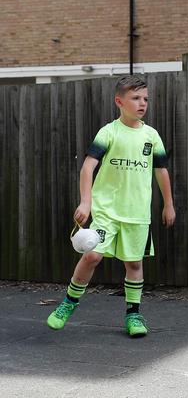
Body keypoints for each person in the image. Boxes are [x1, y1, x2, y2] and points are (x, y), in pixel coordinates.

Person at [46, 75, 176, 337]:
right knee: (92, 255)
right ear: (120, 101)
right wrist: (86, 202)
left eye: (146, 99)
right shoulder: (109, 132)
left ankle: (134, 315)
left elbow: (161, 171)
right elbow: (87, 167)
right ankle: (68, 304)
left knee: (134, 264)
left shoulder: (151, 136)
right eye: (136, 98)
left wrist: (168, 205)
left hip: (137, 213)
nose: (142, 103)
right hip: (107, 210)